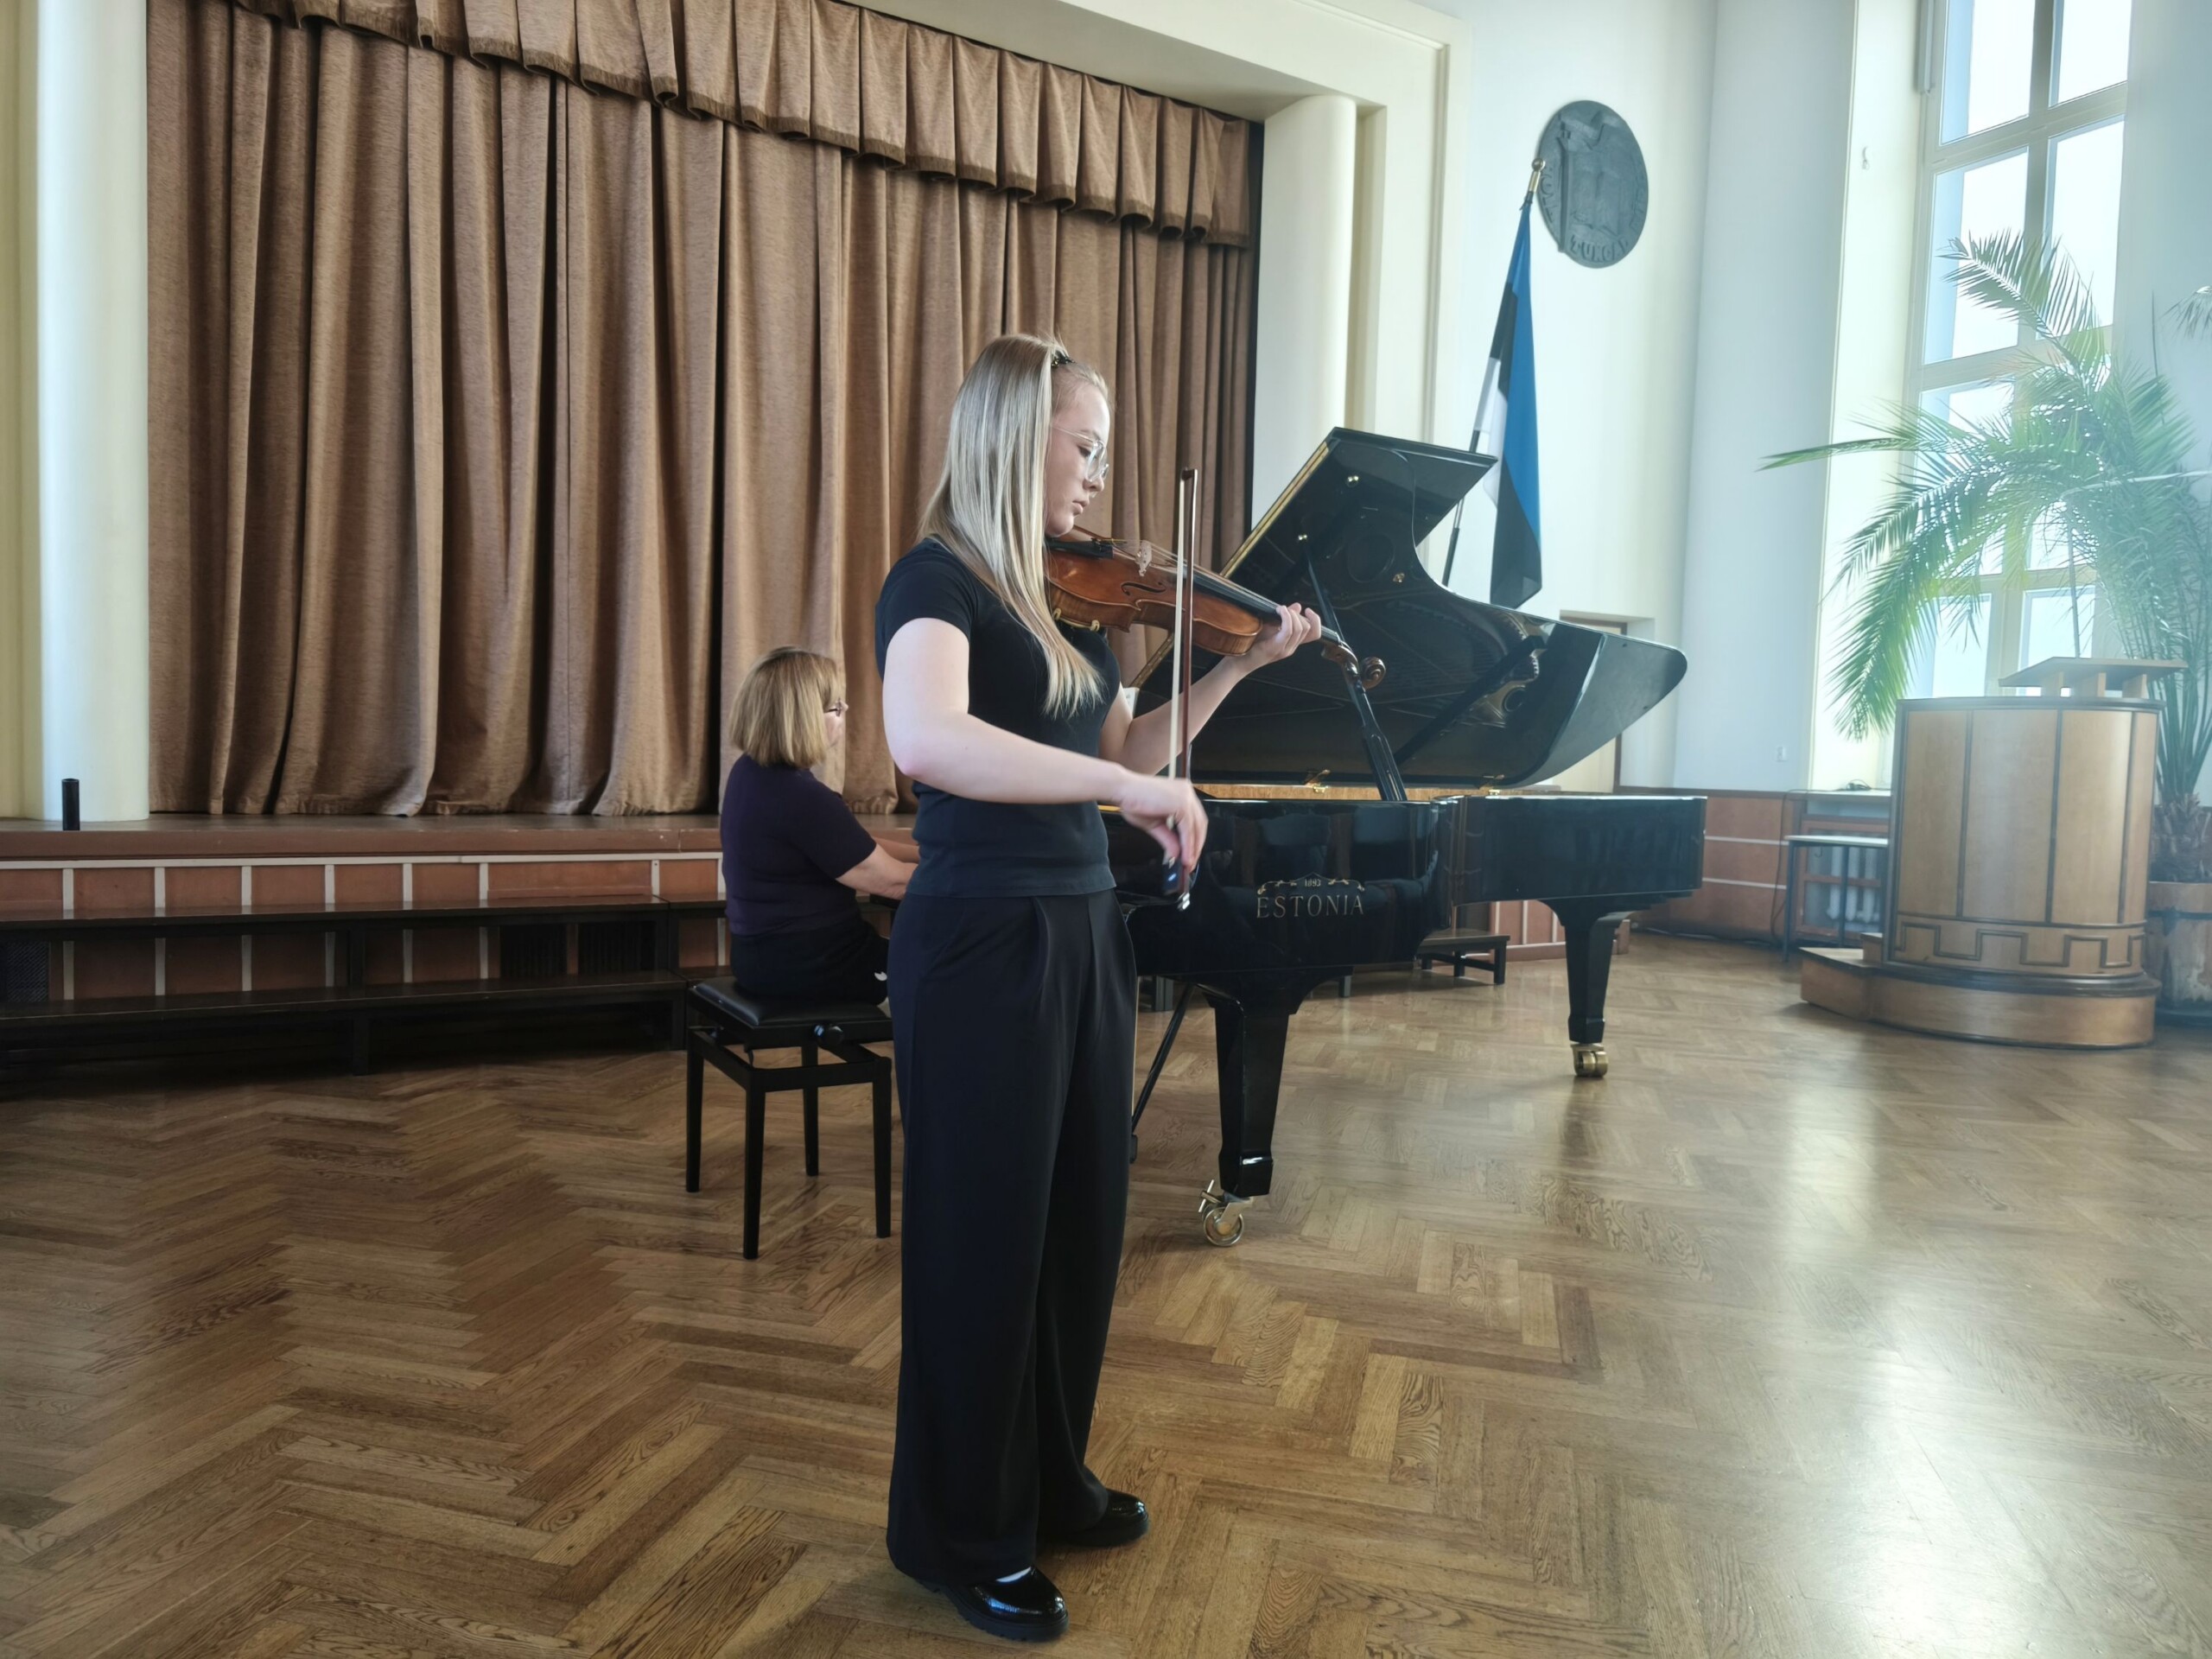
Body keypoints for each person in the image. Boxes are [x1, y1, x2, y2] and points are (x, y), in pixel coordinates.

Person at [875, 333, 1320, 1642]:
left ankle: (1048, 1479)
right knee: (983, 1241)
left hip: (1081, 932)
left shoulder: (1068, 606)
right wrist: (1125, 787)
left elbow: (1130, 746)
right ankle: (963, 1534)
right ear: (1016, 438)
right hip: (980, 941)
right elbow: (927, 739)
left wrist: (1231, 670)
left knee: (1078, 1225)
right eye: (1084, 445)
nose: (1096, 475)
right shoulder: (936, 581)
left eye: (1103, 452)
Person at [719, 647, 916, 1004]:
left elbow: (850, 846)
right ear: (805, 718)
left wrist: (925, 853)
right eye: (836, 707)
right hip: (815, 965)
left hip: (761, 958)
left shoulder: (750, 773)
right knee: (949, 975)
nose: (846, 710)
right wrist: (974, 872)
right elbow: (894, 882)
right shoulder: (801, 796)